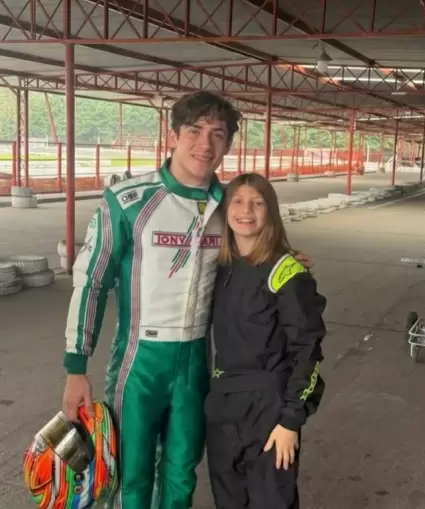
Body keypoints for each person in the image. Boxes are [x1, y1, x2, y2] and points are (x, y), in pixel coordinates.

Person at [60, 91, 312, 509]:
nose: (205, 144)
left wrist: (283, 258)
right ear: (172, 134)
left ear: (228, 145)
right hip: (139, 361)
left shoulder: (227, 205)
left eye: (217, 134)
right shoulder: (127, 201)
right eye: (194, 131)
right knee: (132, 473)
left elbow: (256, 240)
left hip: (197, 360)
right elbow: (92, 282)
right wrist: (75, 366)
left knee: (181, 474)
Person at [205, 172, 326, 509]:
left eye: (257, 203)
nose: (246, 211)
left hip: (268, 409)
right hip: (223, 406)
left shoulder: (286, 272)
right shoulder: (217, 268)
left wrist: (290, 420)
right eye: (238, 201)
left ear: (270, 211)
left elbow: (307, 351)